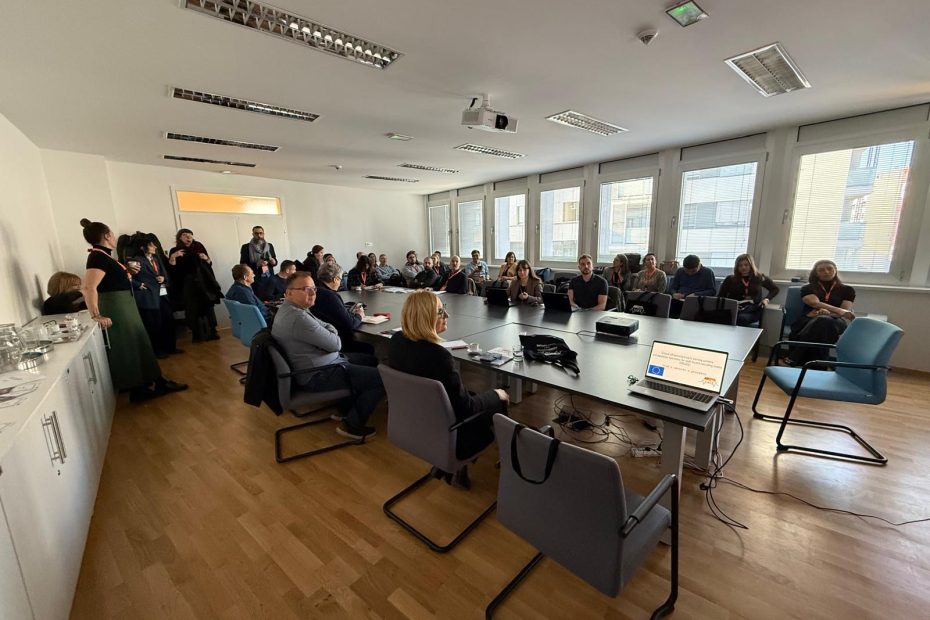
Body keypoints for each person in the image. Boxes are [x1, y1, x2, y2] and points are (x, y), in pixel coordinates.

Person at [388, 290, 508, 487]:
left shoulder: (396, 342)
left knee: (472, 394)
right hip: (447, 434)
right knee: (498, 400)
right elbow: (466, 408)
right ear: (426, 317)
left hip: (412, 424)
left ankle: (451, 467)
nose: (447, 315)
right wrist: (497, 394)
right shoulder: (439, 357)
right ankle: (508, 468)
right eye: (440, 312)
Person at [79, 219, 187, 402]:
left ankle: (154, 382)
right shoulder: (97, 256)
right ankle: (140, 388)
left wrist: (128, 271)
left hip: (124, 305)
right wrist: (96, 315)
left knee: (139, 344)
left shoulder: (104, 256)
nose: (114, 237)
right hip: (117, 307)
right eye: (112, 234)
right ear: (107, 235)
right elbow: (88, 287)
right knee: (130, 347)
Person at [272, 271, 384, 439]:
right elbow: (336, 344)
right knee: (381, 379)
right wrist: (330, 331)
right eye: (305, 289)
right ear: (289, 293)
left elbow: (327, 328)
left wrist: (329, 330)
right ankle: (352, 425)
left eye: (314, 288)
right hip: (319, 374)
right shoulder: (298, 318)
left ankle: (345, 408)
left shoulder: (292, 309)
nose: (312, 293)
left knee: (370, 359)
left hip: (320, 364)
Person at [786, 259, 856, 366]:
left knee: (823, 320)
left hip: (835, 321)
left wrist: (829, 314)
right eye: (821, 270)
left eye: (829, 268)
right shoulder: (807, 288)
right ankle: (821, 365)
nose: (826, 272)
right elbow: (815, 303)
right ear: (816, 273)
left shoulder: (848, 290)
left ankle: (795, 356)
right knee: (823, 327)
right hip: (809, 319)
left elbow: (844, 312)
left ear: (835, 270)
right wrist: (839, 310)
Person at [168, 228, 221, 342]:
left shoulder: (199, 246)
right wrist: (173, 257)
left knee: (208, 305)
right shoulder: (175, 250)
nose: (188, 237)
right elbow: (172, 270)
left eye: (190, 235)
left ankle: (212, 331)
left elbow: (209, 263)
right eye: (185, 235)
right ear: (179, 237)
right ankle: (196, 334)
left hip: (204, 281)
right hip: (187, 283)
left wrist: (206, 258)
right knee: (192, 308)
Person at [312, 262, 375, 355]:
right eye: (340, 279)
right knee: (370, 347)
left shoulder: (315, 290)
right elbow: (350, 324)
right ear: (335, 279)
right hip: (337, 342)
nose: (341, 283)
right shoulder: (330, 296)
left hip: (320, 339)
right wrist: (359, 315)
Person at [131, 241, 179, 358]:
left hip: (162, 294)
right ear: (142, 247)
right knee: (154, 325)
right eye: (151, 245)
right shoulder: (136, 260)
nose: (155, 247)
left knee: (168, 320)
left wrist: (164, 279)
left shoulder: (156, 258)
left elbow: (164, 273)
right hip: (148, 296)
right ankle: (158, 351)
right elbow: (129, 277)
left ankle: (171, 348)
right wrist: (139, 285)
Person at [718, 254, 780, 327]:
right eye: (740, 265)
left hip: (752, 310)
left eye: (746, 265)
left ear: (751, 265)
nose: (743, 267)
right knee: (718, 316)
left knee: (740, 319)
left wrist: (767, 299)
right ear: (737, 267)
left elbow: (775, 289)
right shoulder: (730, 279)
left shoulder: (759, 277)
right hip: (734, 307)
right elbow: (720, 296)